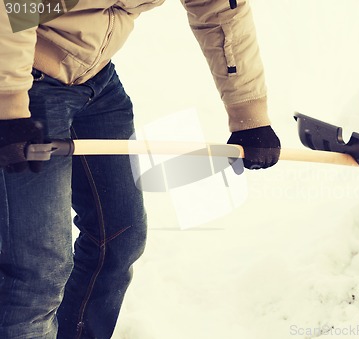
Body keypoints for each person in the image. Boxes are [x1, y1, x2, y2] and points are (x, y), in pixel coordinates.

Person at [0, 0, 280, 338]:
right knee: (38, 270)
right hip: (20, 74)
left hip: (95, 78)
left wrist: (249, 113)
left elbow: (220, 8)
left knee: (119, 238)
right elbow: (13, 8)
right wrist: (9, 106)